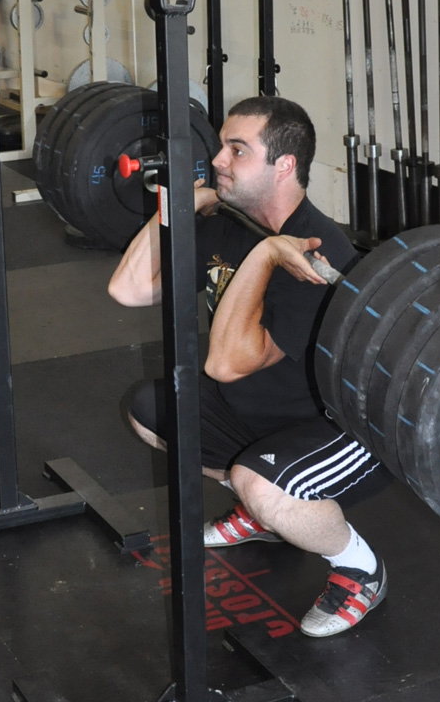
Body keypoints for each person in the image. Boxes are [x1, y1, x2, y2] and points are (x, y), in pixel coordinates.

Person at [108, 95, 388, 638]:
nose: (217, 160)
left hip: (342, 428)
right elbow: (128, 289)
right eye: (221, 146)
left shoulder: (316, 252)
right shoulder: (231, 223)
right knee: (151, 411)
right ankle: (266, 514)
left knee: (259, 481)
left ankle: (360, 568)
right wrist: (177, 208)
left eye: (237, 150)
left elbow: (226, 363)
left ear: (284, 165)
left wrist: (265, 257)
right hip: (263, 411)